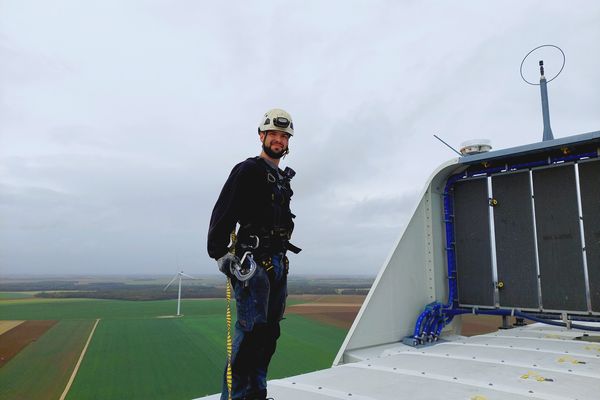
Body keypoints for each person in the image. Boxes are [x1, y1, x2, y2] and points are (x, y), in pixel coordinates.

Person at [207, 108, 301, 400]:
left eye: (283, 136)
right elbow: (224, 210)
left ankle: (256, 394)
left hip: (277, 263)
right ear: (262, 136)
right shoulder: (248, 170)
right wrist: (220, 253)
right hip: (253, 265)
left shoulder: (281, 179)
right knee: (249, 335)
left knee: (269, 334)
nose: (278, 140)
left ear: (287, 142)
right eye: (273, 134)